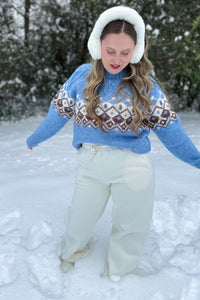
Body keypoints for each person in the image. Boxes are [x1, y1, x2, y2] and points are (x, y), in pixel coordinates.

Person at [26, 6, 200, 278]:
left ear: (137, 50)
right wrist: (35, 137)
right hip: (91, 163)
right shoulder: (82, 76)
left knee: (131, 226)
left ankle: (119, 274)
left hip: (133, 168)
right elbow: (57, 114)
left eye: (125, 52)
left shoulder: (146, 86)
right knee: (79, 221)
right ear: (98, 45)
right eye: (110, 51)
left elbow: (172, 131)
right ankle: (71, 253)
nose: (117, 59)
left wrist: (197, 160)